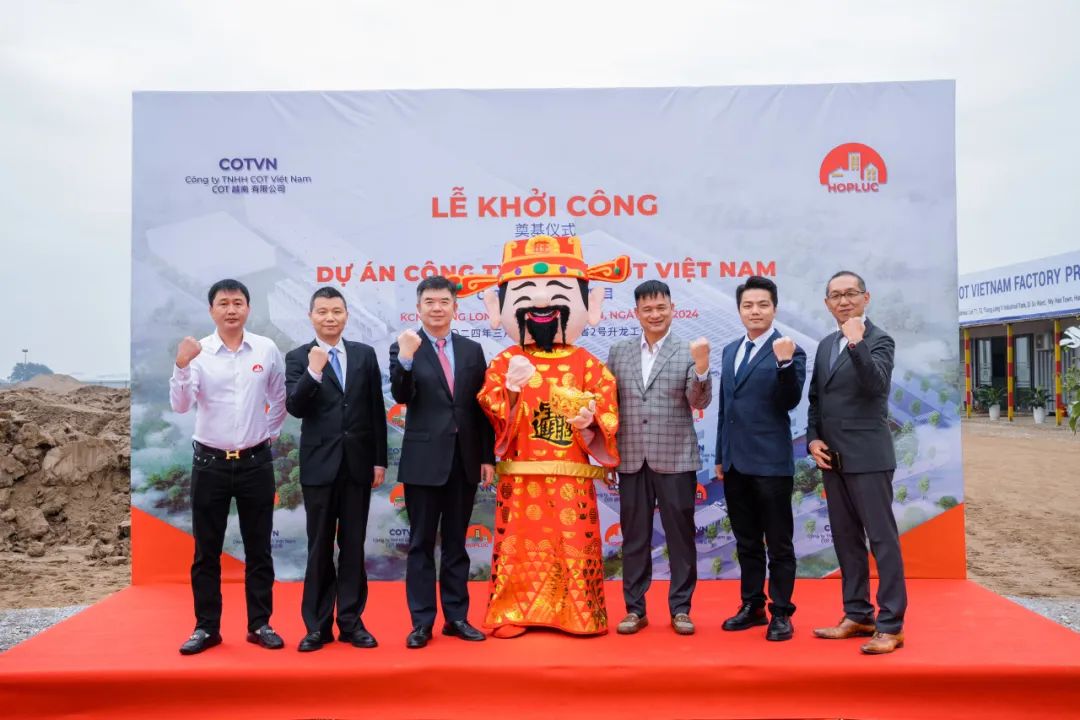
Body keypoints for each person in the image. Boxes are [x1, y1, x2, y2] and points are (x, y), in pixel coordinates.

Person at [456, 234, 628, 638]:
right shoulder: (505, 361)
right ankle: (513, 612)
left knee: (574, 543)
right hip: (521, 477)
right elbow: (489, 408)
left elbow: (607, 411)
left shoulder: (587, 363)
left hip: (571, 478)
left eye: (557, 293)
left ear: (589, 307)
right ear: (499, 310)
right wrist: (511, 391)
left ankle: (578, 614)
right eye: (525, 294)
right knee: (519, 545)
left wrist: (588, 422)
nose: (540, 303)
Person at [169, 278, 287, 655]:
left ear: (248, 308)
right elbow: (181, 406)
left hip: (255, 462)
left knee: (259, 549)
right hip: (210, 463)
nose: (231, 309)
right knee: (207, 551)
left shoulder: (266, 349)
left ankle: (260, 624)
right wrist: (181, 365)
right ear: (211, 310)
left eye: (238, 303)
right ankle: (206, 628)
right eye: (223, 303)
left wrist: (266, 436)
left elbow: (279, 398)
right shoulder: (198, 351)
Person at [389, 275, 495, 649]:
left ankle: (457, 617)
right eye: (430, 302)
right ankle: (421, 623)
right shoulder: (405, 346)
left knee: (455, 544)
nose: (437, 308)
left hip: (464, 460)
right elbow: (401, 395)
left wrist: (486, 456)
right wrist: (405, 358)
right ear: (418, 308)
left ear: (455, 307)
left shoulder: (471, 350)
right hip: (423, 462)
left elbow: (480, 408)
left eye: (444, 302)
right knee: (420, 544)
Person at [807, 270, 907, 655]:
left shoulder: (879, 340)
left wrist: (856, 342)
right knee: (847, 540)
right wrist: (813, 438)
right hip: (833, 459)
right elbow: (816, 400)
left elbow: (876, 385)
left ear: (867, 297)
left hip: (869, 456)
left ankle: (891, 624)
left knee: (882, 541)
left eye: (851, 293)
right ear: (827, 303)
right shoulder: (824, 345)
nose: (844, 301)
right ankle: (858, 614)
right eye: (836, 295)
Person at [285, 286, 388, 652]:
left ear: (346, 315)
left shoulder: (363, 355)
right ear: (311, 316)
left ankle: (351, 622)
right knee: (319, 548)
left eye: (336, 311)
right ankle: (316, 626)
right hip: (319, 466)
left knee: (353, 547)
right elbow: (295, 407)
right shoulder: (298, 357)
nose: (330, 317)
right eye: (322, 311)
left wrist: (379, 460)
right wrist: (314, 371)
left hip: (358, 465)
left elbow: (375, 408)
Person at [606, 280, 711, 636]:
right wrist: (607, 454)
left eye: (661, 307)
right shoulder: (619, 352)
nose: (655, 314)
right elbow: (610, 407)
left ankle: (681, 609)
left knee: (680, 537)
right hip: (631, 458)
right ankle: (635, 609)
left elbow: (699, 401)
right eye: (647, 309)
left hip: (676, 457)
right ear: (636, 313)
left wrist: (701, 368)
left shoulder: (688, 350)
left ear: (672, 309)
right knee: (634, 537)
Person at [714, 275, 806, 641]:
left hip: (771, 464)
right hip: (735, 464)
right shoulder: (730, 350)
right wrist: (720, 455)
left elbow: (789, 401)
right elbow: (725, 409)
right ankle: (752, 605)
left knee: (779, 543)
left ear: (774, 309)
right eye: (748, 305)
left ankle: (781, 612)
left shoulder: (790, 350)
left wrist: (784, 365)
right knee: (747, 541)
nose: (755, 311)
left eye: (762, 305)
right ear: (739, 310)